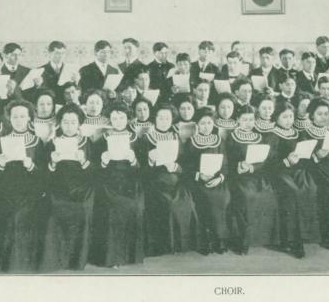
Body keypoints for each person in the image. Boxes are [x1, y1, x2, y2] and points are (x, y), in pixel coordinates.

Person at [0, 100, 46, 273]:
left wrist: (31, 165)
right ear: (9, 119)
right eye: (15, 116)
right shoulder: (2, 141)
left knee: (22, 214)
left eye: (23, 116)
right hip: (6, 191)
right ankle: (9, 263)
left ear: (29, 119)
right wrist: (1, 164)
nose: (19, 120)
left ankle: (25, 262)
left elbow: (44, 176)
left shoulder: (36, 141)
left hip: (31, 191)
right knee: (8, 213)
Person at [40, 103, 96, 271]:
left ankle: (77, 260)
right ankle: (58, 259)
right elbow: (45, 175)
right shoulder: (52, 143)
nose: (69, 126)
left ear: (79, 124)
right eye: (65, 122)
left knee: (83, 210)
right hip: (58, 189)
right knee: (53, 211)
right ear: (60, 123)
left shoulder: (87, 143)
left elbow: (96, 174)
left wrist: (84, 161)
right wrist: (53, 163)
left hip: (83, 189)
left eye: (73, 122)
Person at [138, 103, 199, 255]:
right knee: (167, 205)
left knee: (187, 203)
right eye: (160, 117)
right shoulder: (146, 139)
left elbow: (185, 164)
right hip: (154, 182)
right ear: (155, 119)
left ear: (172, 120)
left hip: (176, 181)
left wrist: (176, 167)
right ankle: (164, 245)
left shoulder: (176, 137)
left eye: (167, 118)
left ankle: (181, 244)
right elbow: (140, 170)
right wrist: (151, 161)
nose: (164, 121)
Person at [91, 102, 144, 267]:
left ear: (127, 118)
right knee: (111, 209)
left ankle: (129, 256)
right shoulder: (102, 139)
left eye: (122, 117)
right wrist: (103, 162)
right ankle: (110, 258)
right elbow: (94, 166)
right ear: (109, 120)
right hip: (107, 182)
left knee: (133, 206)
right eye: (114, 118)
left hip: (130, 181)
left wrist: (134, 160)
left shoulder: (135, 138)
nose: (118, 121)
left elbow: (144, 167)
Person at [266, 101, 319, 258]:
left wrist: (300, 159)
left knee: (310, 188)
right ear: (277, 118)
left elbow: (304, 155)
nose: (288, 120)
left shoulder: (297, 133)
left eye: (291, 116)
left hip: (296, 171)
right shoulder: (272, 135)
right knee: (293, 192)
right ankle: (291, 240)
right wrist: (287, 161)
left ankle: (306, 235)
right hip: (278, 172)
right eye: (284, 117)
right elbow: (269, 164)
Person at [226, 105, 278, 254]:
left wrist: (253, 168)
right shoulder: (232, 137)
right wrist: (239, 166)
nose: (248, 123)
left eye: (251, 119)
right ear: (237, 120)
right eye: (244, 119)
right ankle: (243, 241)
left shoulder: (259, 137)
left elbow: (263, 161)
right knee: (247, 197)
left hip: (255, 174)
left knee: (268, 194)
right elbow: (227, 160)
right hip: (238, 176)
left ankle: (263, 238)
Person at [181, 107, 230, 254]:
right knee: (204, 199)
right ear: (197, 125)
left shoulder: (219, 141)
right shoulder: (191, 142)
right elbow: (185, 166)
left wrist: (220, 178)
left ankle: (220, 239)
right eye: (203, 123)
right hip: (197, 181)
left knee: (221, 198)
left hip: (216, 181)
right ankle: (205, 240)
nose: (206, 126)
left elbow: (225, 164)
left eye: (209, 123)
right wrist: (198, 175)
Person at [298, 98, 329, 249]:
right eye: (319, 113)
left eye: (326, 113)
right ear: (312, 115)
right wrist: (317, 156)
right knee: (328, 188)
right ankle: (326, 236)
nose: (323, 117)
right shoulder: (305, 133)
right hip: (311, 169)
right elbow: (302, 159)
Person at [39, 41, 78, 105]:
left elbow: (76, 91)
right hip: (49, 105)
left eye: (63, 53)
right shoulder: (40, 70)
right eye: (57, 53)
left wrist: (76, 81)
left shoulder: (71, 69)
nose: (60, 56)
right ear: (50, 53)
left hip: (66, 105)